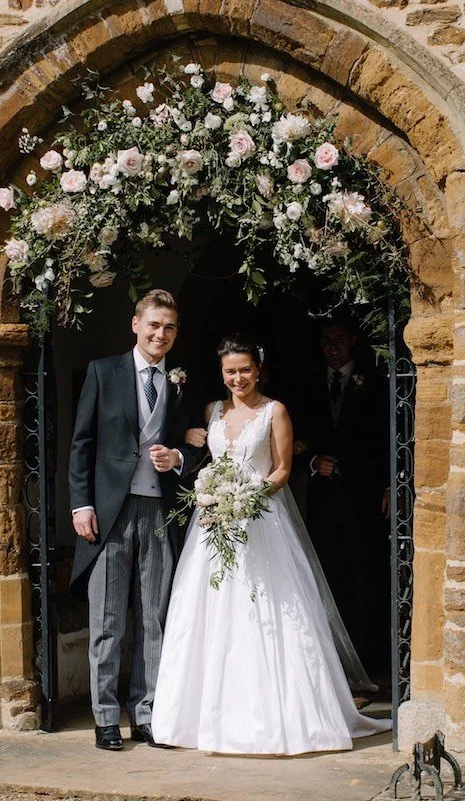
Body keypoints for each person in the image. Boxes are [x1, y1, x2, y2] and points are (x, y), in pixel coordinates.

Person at [151, 334, 390, 755]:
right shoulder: (212, 411)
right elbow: (206, 460)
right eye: (230, 371)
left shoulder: (274, 411)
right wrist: (209, 484)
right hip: (213, 524)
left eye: (245, 370)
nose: (238, 378)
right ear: (221, 374)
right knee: (207, 613)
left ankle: (277, 716)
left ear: (258, 369)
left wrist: (247, 499)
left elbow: (281, 470)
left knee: (267, 613)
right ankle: (201, 718)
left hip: (260, 522)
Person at [69, 289, 204, 751]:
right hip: (109, 511)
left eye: (168, 327)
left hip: (160, 511)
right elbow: (82, 443)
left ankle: (146, 713)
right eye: (153, 325)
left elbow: (197, 444)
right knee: (107, 619)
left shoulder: (182, 382)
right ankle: (106, 717)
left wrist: (180, 457)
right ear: (135, 325)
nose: (160, 334)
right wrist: (80, 504)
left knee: (154, 619)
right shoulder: (103, 372)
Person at [303, 311, 390, 675]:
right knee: (328, 574)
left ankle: (366, 662)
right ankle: (334, 663)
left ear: (352, 341)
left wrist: (390, 483)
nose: (332, 347)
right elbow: (293, 434)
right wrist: (312, 461)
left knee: (363, 575)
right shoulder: (307, 383)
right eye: (326, 341)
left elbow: (391, 431)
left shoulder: (377, 379)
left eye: (339, 339)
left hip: (365, 494)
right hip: (323, 498)